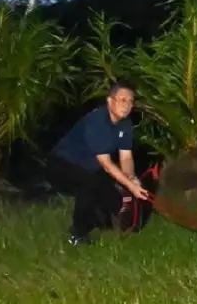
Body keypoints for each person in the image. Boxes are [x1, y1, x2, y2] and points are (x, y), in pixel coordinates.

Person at [45, 80, 151, 245]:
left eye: (130, 101)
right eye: (122, 100)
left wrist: (131, 178)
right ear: (110, 101)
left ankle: (100, 226)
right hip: (60, 164)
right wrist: (131, 187)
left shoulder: (125, 124)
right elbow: (107, 165)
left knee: (112, 200)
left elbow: (126, 157)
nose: (127, 105)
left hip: (89, 169)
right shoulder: (97, 122)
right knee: (90, 185)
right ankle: (77, 235)